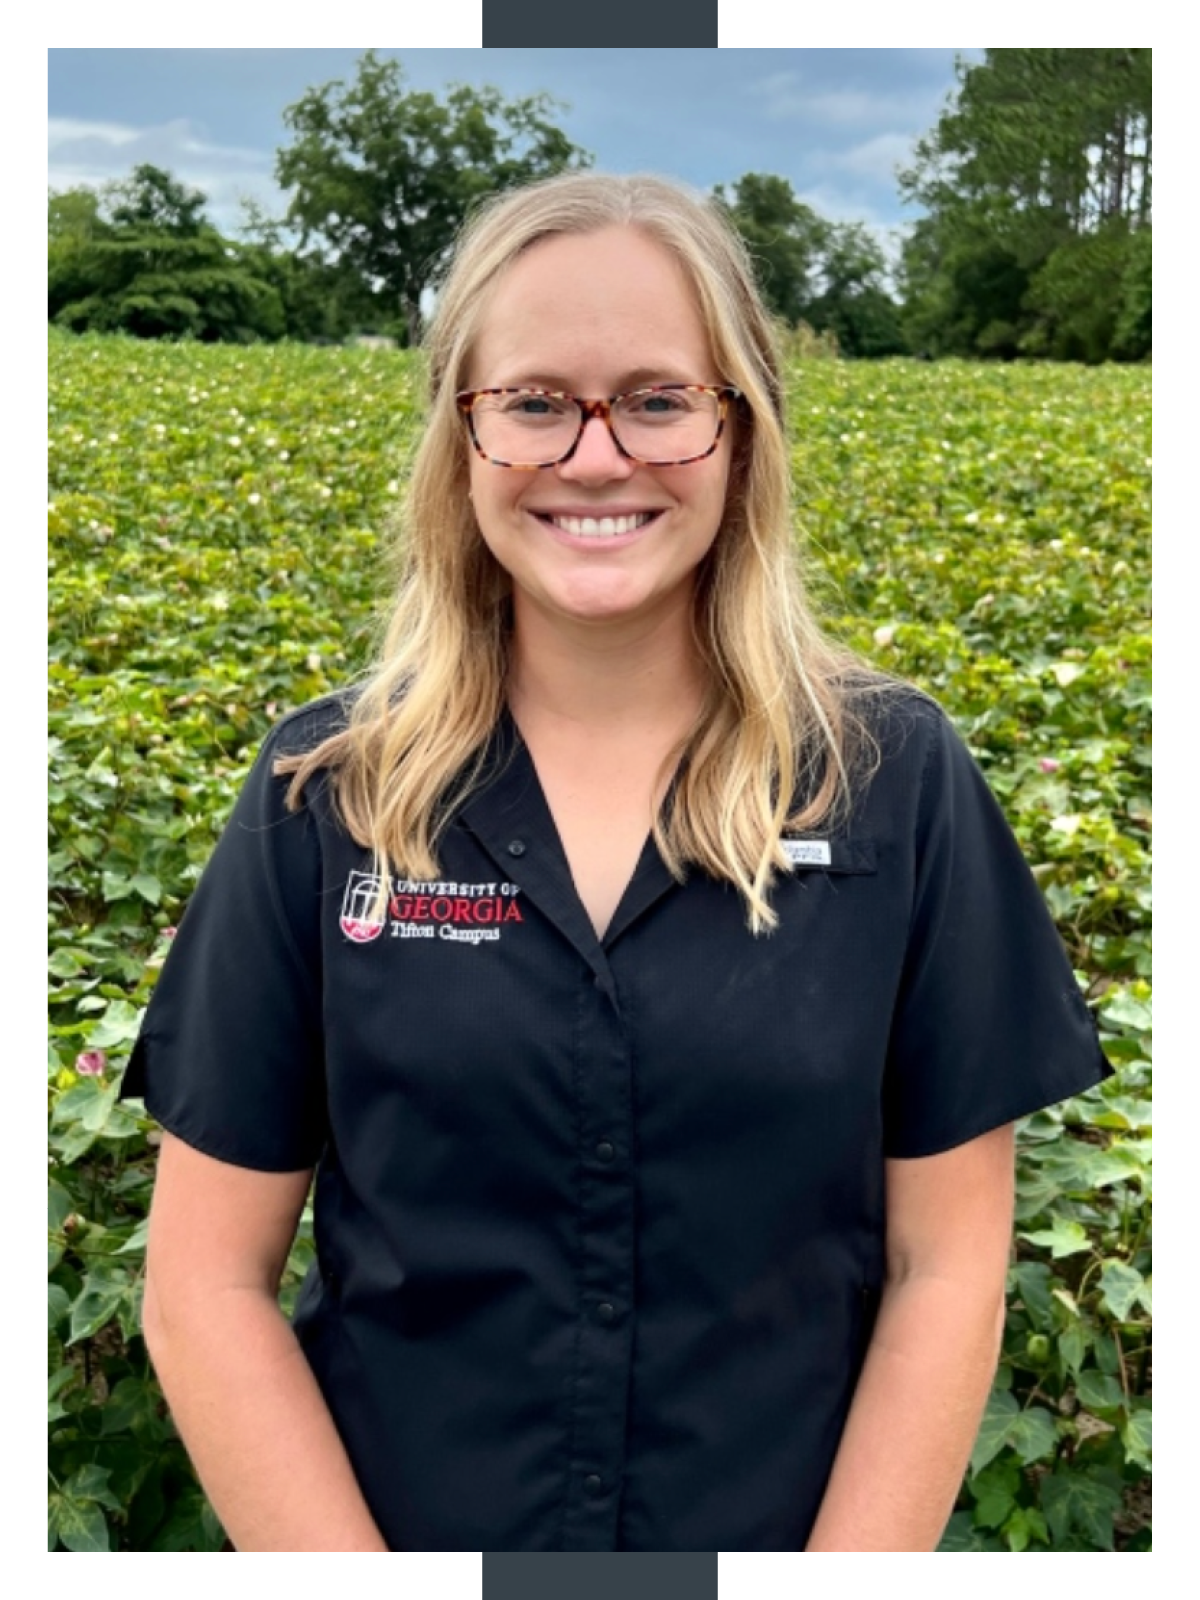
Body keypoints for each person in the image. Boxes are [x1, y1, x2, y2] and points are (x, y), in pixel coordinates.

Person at [124, 171, 1111, 1553]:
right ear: (460, 440)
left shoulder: (897, 783)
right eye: (534, 402)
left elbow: (943, 1265)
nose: (596, 457)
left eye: (657, 398)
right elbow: (203, 1284)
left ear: (742, 429)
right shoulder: (325, 795)